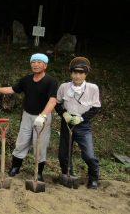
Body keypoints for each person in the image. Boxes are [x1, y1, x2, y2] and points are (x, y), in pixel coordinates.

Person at [0, 53, 57, 181]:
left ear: (45, 65)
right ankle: (15, 167)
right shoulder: (26, 80)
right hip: (27, 116)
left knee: (39, 144)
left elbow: (52, 101)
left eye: (39, 62)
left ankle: (38, 172)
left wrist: (42, 116)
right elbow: (12, 89)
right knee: (22, 141)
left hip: (42, 117)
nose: (35, 64)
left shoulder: (50, 81)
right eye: (33, 62)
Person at [55, 57, 101, 189]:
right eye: (74, 72)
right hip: (67, 123)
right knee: (63, 154)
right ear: (71, 73)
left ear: (85, 74)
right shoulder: (64, 87)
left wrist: (81, 118)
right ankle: (67, 174)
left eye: (81, 73)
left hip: (83, 125)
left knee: (89, 155)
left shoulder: (92, 88)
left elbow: (96, 107)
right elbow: (58, 104)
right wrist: (63, 113)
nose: (77, 75)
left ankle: (93, 179)